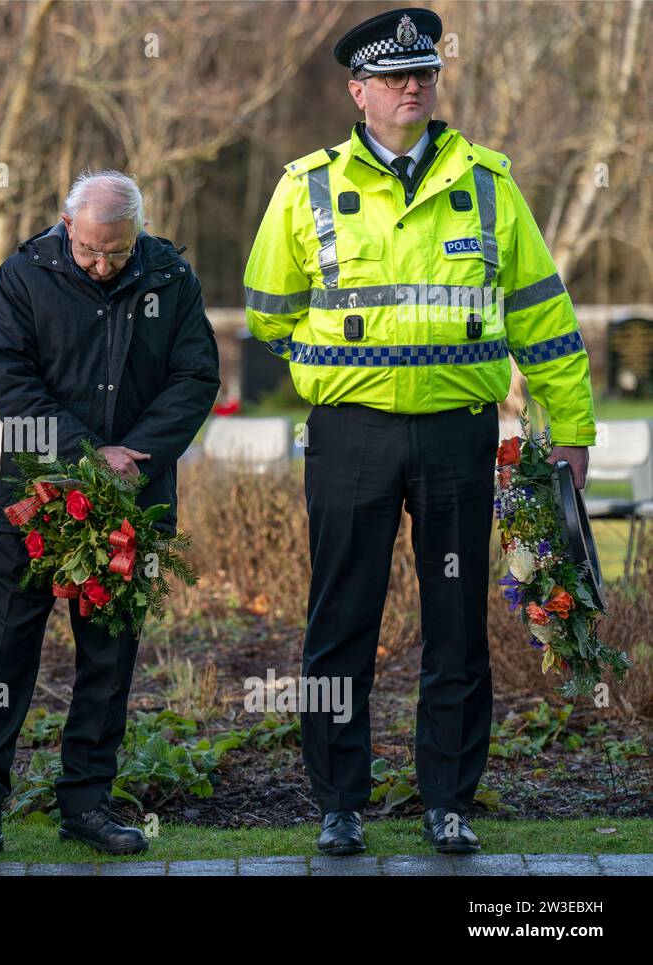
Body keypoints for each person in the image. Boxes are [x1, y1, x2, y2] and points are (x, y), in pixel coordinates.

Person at [243, 7, 597, 855]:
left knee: (456, 624)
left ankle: (450, 800)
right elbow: (267, 312)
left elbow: (544, 316)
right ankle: (339, 802)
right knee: (340, 621)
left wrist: (574, 426)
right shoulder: (306, 185)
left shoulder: (489, 182)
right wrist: (332, 372)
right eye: (397, 76)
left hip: (455, 436)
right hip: (351, 435)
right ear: (358, 90)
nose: (415, 86)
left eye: (426, 73)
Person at [0, 171, 220, 863]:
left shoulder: (170, 278)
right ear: (66, 224)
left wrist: (136, 458)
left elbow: (196, 376)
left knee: (108, 656)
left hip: (131, 500)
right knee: (6, 651)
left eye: (116, 253)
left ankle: (87, 802)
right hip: (40, 496)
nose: (100, 264)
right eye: (89, 250)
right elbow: (12, 383)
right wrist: (93, 454)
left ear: (137, 234)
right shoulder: (23, 277)